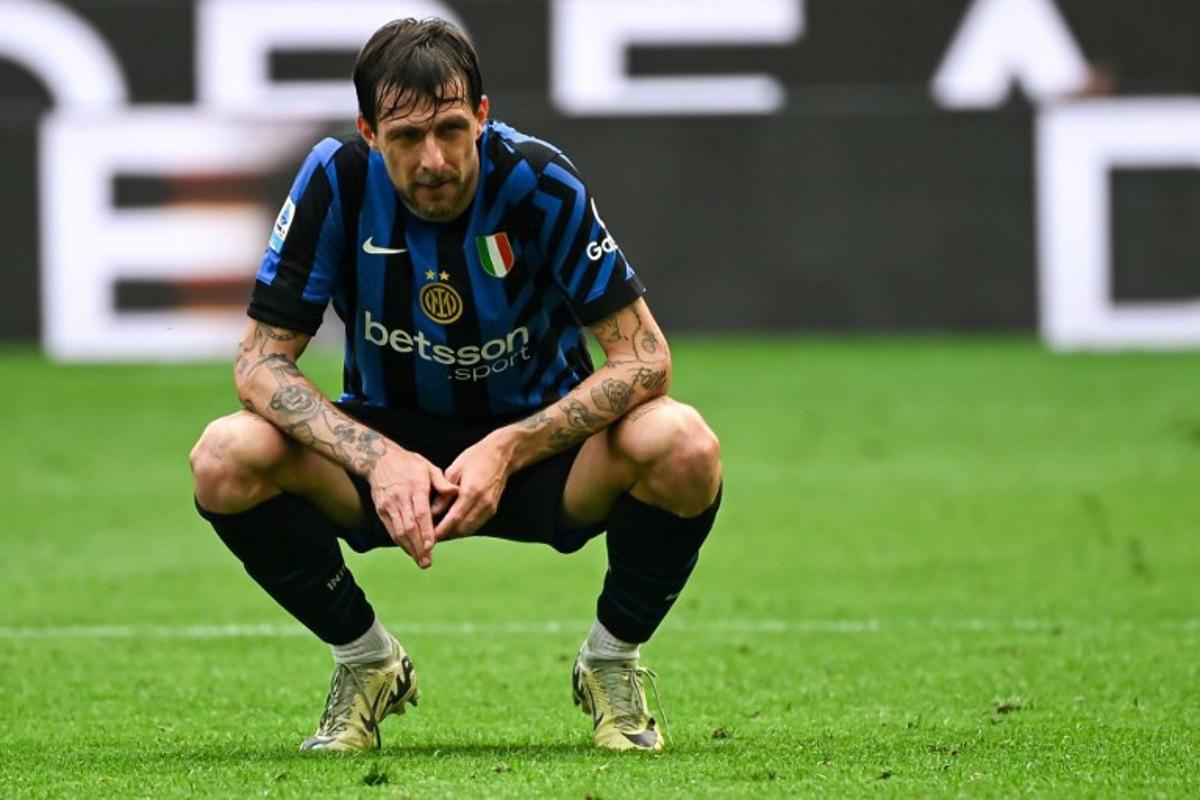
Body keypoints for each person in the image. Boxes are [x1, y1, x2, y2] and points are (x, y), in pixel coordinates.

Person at [189, 16, 722, 754]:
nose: (433, 159)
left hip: (540, 452)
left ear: (481, 114)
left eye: (449, 128)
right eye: (406, 137)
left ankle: (610, 664)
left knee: (684, 443)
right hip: (386, 451)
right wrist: (378, 458)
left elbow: (644, 357)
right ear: (369, 133)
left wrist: (510, 446)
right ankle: (367, 661)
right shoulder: (336, 179)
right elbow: (259, 362)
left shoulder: (538, 180)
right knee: (224, 456)